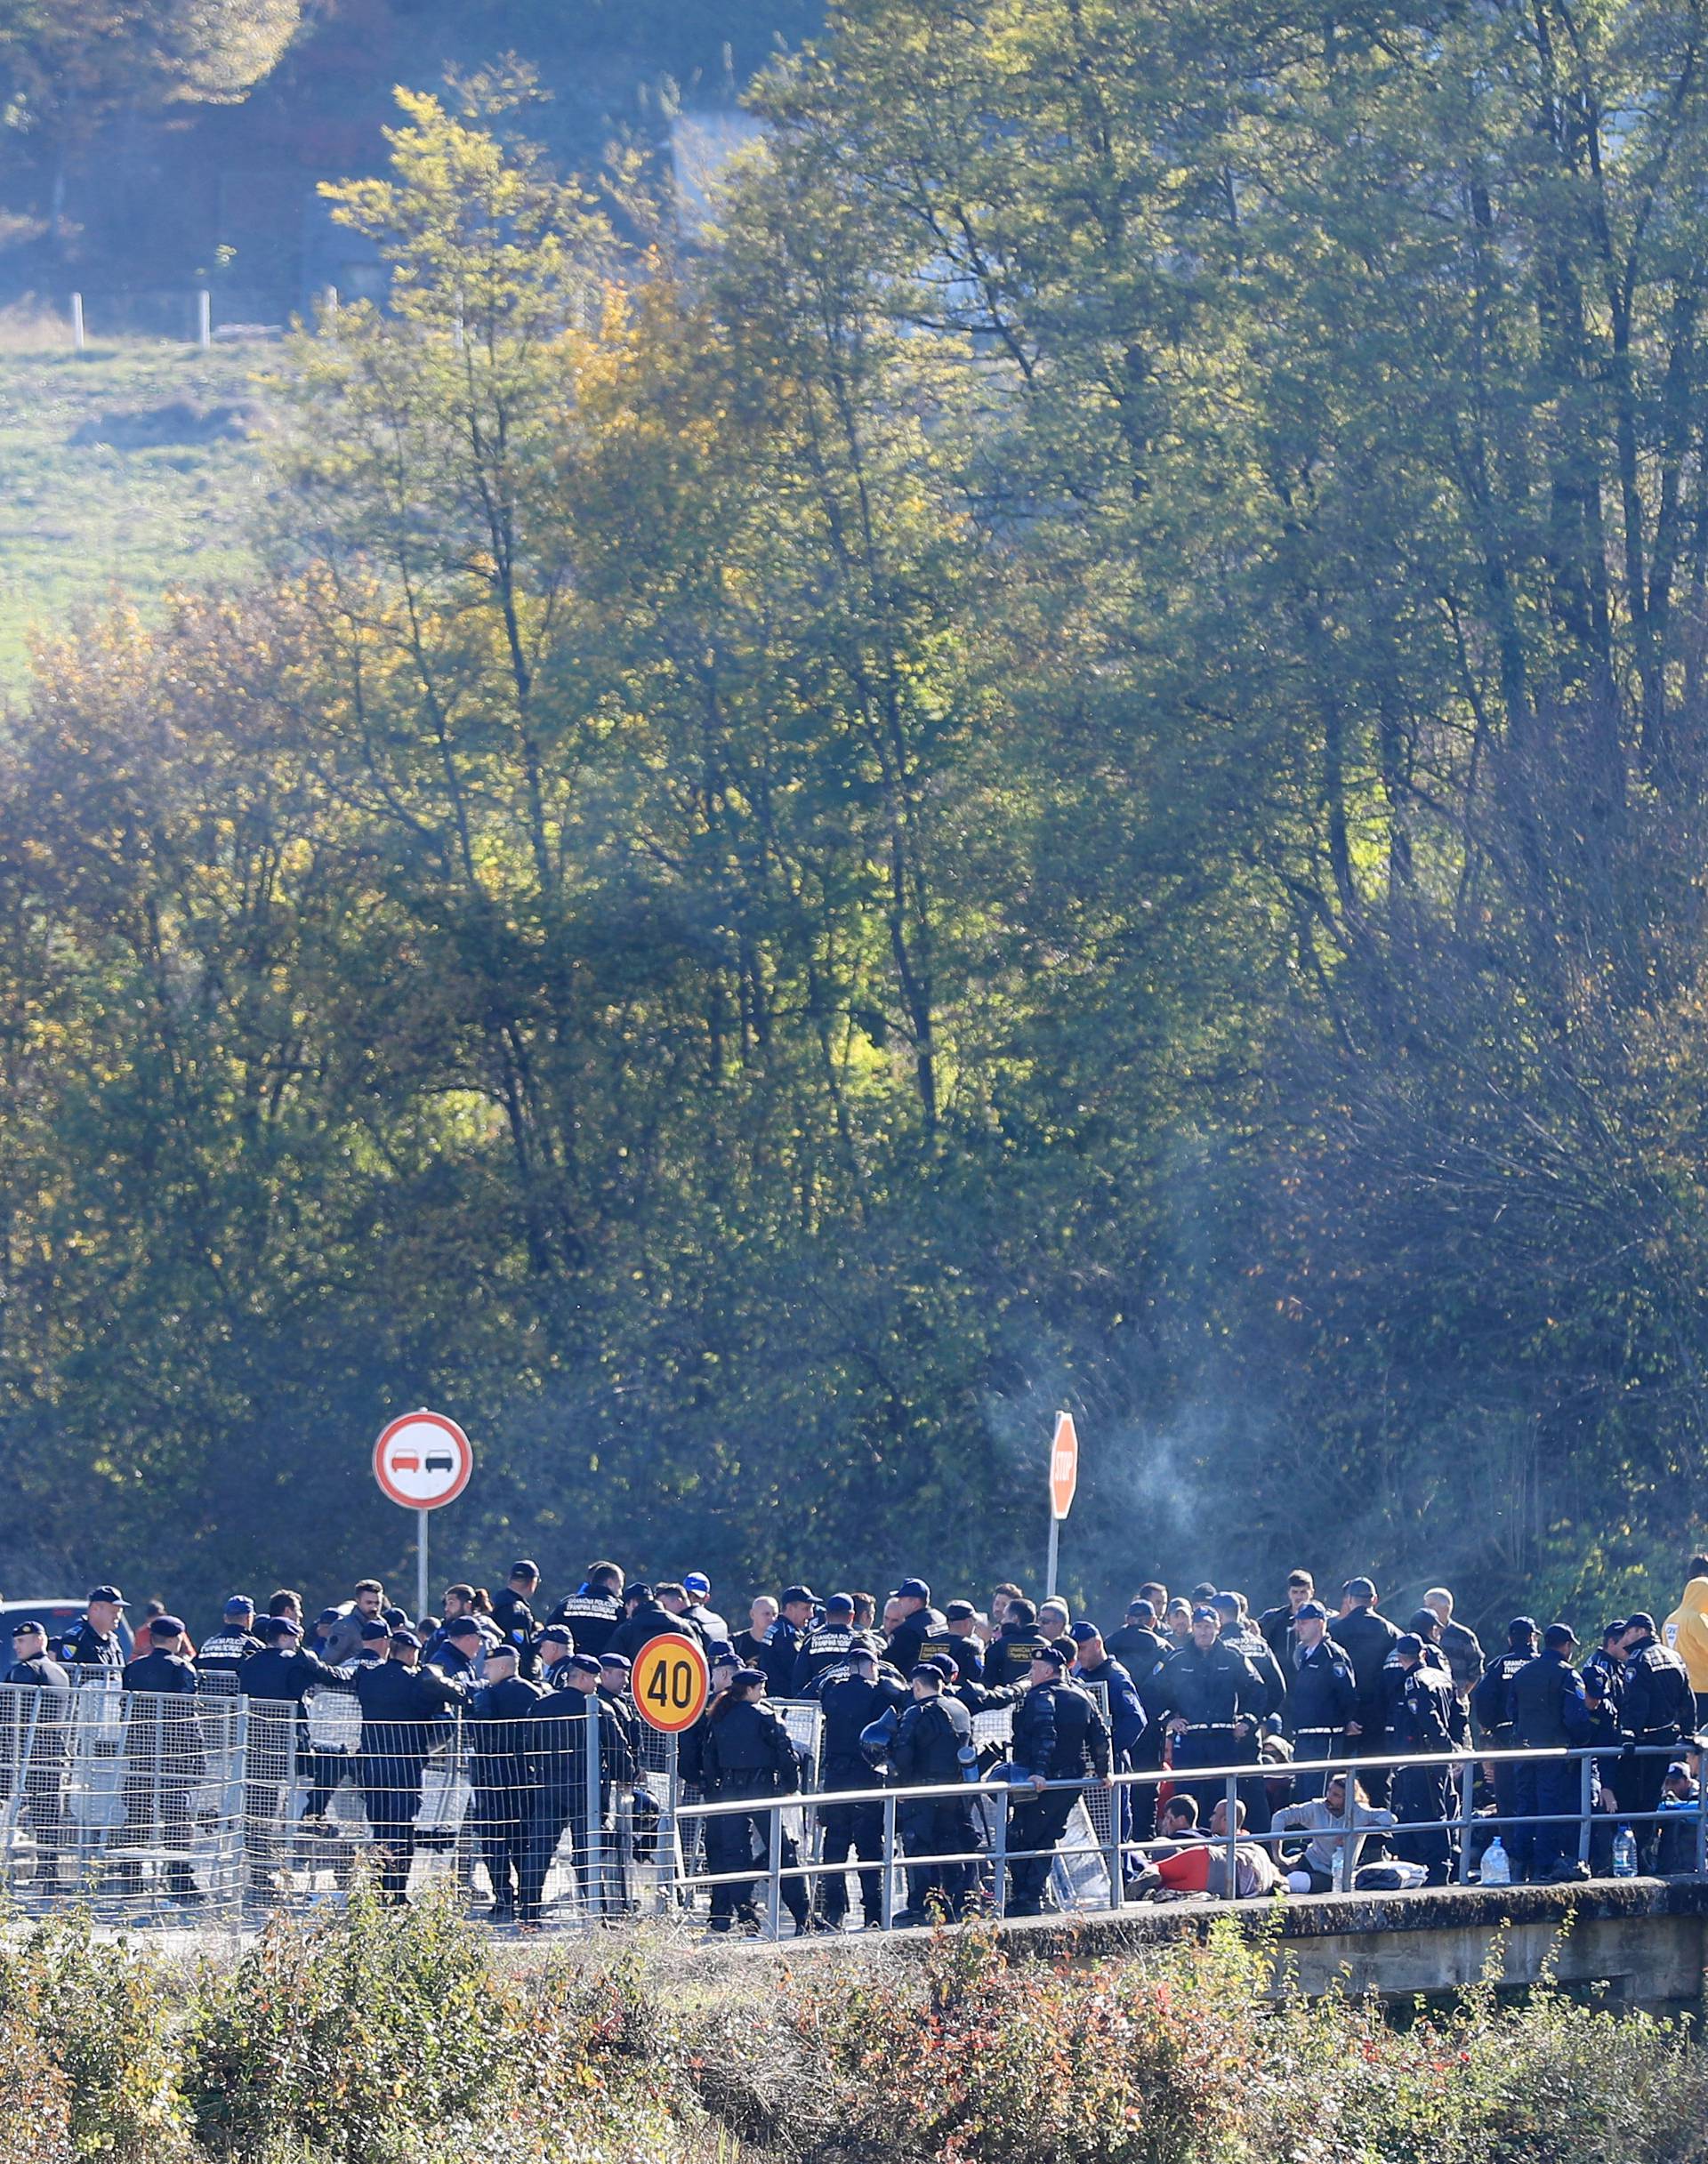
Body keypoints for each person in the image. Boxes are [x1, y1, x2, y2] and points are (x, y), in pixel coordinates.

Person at [350, 1628, 464, 1902]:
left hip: (374, 1764)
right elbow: (455, 1697)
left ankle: (377, 1891)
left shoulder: (368, 1678)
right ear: (413, 1653)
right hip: (406, 1765)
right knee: (402, 1829)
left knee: (379, 1829)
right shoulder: (417, 1682)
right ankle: (398, 1893)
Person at [698, 1668, 810, 1935]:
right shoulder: (765, 1715)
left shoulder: (719, 1716)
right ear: (750, 1690)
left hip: (729, 1791)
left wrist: (715, 1786)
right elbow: (786, 1753)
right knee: (783, 1853)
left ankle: (747, 1919)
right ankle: (802, 1917)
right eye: (760, 1688)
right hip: (762, 1789)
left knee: (734, 1857)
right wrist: (790, 1786)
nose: (764, 1693)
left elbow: (709, 1757)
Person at [1004, 1647, 1111, 1915]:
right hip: (1069, 1781)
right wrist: (1103, 1771)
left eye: (1034, 1668)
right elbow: (1100, 1736)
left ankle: (1026, 1897)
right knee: (1047, 1835)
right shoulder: (1082, 1694)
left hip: (1041, 1782)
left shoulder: (1042, 1696)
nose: (1030, 1673)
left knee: (1021, 1835)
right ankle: (1033, 1895)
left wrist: (1039, 1771)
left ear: (1048, 1671)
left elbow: (1045, 1734)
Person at [815, 1641, 907, 1928]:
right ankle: (874, 1913)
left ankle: (834, 1909)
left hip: (835, 1779)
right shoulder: (879, 1692)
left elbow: (814, 1687)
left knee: (835, 1846)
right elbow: (901, 1695)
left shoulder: (832, 1690)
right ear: (870, 1666)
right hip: (867, 1778)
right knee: (869, 1848)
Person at [525, 1653, 620, 1926]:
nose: (598, 1682)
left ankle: (529, 1913)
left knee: (539, 1852)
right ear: (581, 1677)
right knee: (588, 1853)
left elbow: (528, 1746)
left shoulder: (542, 1706)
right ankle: (596, 1914)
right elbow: (615, 1749)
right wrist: (625, 1773)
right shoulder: (599, 1708)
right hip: (586, 1792)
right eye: (594, 1677)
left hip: (548, 1787)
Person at [1145, 1606, 1266, 1822]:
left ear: (1218, 1627)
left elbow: (1258, 1689)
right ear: (1192, 1627)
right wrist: (1168, 1720)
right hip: (1189, 1742)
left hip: (1223, 1742)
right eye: (1199, 1626)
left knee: (1222, 1801)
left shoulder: (1233, 1656)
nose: (1204, 1632)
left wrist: (1248, 1722)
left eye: (1209, 1626)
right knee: (1186, 1800)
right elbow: (1150, 1692)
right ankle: (1186, 1845)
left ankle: (1221, 1849)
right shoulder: (1176, 1658)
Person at [119, 1615, 205, 1903]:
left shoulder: (133, 1668)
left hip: (141, 1753)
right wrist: (198, 1751)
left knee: (138, 1813)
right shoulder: (183, 1668)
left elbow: (125, 1708)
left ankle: (130, 1876)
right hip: (174, 1755)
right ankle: (179, 1878)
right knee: (177, 1817)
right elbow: (187, 1713)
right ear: (177, 1638)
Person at [890, 1663, 981, 1925]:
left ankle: (925, 1907)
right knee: (954, 1847)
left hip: (924, 1794)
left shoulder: (916, 1713)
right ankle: (962, 1903)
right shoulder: (960, 1709)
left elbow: (903, 1755)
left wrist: (899, 1788)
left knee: (920, 1848)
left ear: (917, 1686)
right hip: (956, 1792)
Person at [1506, 1622, 1592, 1882]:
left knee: (1526, 1806)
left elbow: (1512, 1712)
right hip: (1555, 1753)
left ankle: (1519, 1864)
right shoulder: (1568, 1674)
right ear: (1566, 1646)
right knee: (1549, 1807)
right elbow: (1576, 1717)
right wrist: (1583, 1742)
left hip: (1524, 1750)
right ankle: (1544, 1865)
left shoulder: (1522, 1674)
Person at [467, 1643, 542, 1923]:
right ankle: (528, 1897)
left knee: (494, 1840)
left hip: (493, 1777)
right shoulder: (536, 1693)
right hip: (526, 1776)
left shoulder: (488, 1697)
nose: (485, 1671)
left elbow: (480, 1732)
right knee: (524, 1841)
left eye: (488, 1666)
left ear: (501, 1666)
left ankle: (503, 1898)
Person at [1387, 1632, 1466, 1885]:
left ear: (1400, 1658)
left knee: (1428, 1815)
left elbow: (1427, 1718)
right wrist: (1455, 1748)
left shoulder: (1414, 1682)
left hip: (1421, 1759)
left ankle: (1437, 1871)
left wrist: (1443, 1748)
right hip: (1435, 1759)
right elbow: (1459, 1716)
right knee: (1440, 1811)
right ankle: (1440, 1864)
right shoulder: (1443, 1678)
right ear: (1422, 1653)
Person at [1617, 1612, 1694, 1870]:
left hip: (1644, 1742)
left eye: (1628, 1632)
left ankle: (1637, 1857)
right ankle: (1646, 1852)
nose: (1625, 1638)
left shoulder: (1638, 1660)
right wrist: (1688, 1731)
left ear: (1640, 1632)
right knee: (1652, 1796)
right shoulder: (1674, 1656)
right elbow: (1688, 1697)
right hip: (1667, 1739)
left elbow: (1637, 1702)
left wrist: (1629, 1733)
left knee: (1634, 1797)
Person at [3, 1619, 72, 1892]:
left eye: (22, 1641)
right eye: (16, 1642)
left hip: (22, 1757)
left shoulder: (25, 1671)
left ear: (39, 1641)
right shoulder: (59, 1672)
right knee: (47, 1820)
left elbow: (8, 1712)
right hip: (52, 1758)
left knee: (8, 1818)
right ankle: (48, 1875)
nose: (17, 1647)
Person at [1472, 1617, 1539, 1870]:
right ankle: (1536, 1859)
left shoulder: (1497, 1665)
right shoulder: (1540, 1663)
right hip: (1538, 1744)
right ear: (1533, 1638)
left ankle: (1512, 1858)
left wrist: (1491, 1730)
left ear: (1510, 1639)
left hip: (1503, 1742)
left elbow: (1483, 1701)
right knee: (1537, 1799)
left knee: (1507, 1801)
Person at [1334, 1580, 1401, 1806]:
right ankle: (1377, 1835)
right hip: (1378, 1715)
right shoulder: (1391, 1631)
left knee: (1338, 1778)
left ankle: (1339, 1832)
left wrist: (1344, 1716)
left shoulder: (1336, 1631)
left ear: (1350, 1600)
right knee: (1378, 1778)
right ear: (1374, 1600)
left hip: (1345, 1716)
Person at [1283, 1601, 1358, 1800]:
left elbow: (1347, 1694)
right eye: (1298, 1622)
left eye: (1304, 1622)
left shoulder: (1333, 1655)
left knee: (1320, 1797)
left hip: (1325, 1738)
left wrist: (1347, 1720)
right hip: (1304, 1738)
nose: (1299, 1627)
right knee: (1303, 1798)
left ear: (1320, 1623)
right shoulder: (1305, 1654)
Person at [1272, 1772, 1396, 1891]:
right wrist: (1278, 1855)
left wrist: (1355, 1831)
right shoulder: (1316, 1807)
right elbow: (1281, 1816)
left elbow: (1390, 1818)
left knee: (1296, 1882)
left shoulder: (1360, 1812)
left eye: (1336, 1795)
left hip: (1332, 1874)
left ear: (1348, 1798)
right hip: (1309, 1860)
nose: (1329, 1797)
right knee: (1271, 1874)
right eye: (1329, 1791)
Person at [793, 1594, 867, 1693]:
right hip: (852, 1702)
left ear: (826, 1615)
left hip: (816, 1705)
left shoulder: (810, 1641)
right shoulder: (862, 1642)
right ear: (852, 1616)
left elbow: (798, 1683)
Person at [1663, 1558, 1708, 1726]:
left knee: (1683, 1740)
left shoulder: (1670, 1620)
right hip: (1704, 1690)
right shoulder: (1697, 1619)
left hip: (1678, 1691)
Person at [547, 1563, 624, 1658]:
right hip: (604, 1668)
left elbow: (549, 1632)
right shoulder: (619, 1610)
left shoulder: (567, 1604)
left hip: (571, 1667)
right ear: (610, 1582)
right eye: (620, 1587)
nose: (620, 1593)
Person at [1422, 1587, 1486, 1701]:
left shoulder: (1464, 1636)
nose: (1427, 1609)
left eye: (1431, 1606)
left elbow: (1476, 1668)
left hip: (1457, 1700)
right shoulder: (1422, 1633)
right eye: (1425, 1606)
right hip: (1429, 1699)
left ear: (1446, 1609)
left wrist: (1463, 1693)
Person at [759, 1588, 818, 1698]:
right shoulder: (787, 1635)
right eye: (806, 1609)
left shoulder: (777, 1628)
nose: (811, 1615)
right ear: (790, 1608)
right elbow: (798, 1671)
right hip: (785, 1699)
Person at [985, 1598, 1051, 1690]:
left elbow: (988, 1681)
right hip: (1040, 1700)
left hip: (1006, 1700)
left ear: (1015, 1618)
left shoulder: (1000, 1645)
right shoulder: (1047, 1645)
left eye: (1005, 1617)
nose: (1002, 1621)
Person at [57, 1585, 126, 1670]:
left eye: (119, 1612)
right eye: (113, 1612)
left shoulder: (113, 1641)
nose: (117, 1617)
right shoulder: (76, 1640)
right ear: (95, 1609)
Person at [1258, 1571, 1317, 1665]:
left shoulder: (1321, 1620)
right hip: (1283, 1677)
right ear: (1289, 1593)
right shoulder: (1273, 1619)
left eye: (1303, 1592)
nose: (1298, 1597)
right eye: (1295, 1592)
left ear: (1312, 1593)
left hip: (1312, 1676)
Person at [197, 1597, 263, 1678]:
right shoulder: (254, 1646)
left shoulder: (206, 1646)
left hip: (206, 1691)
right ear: (249, 1618)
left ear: (225, 1618)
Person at [323, 1581, 386, 1667]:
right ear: (358, 1601)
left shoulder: (383, 1624)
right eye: (369, 1603)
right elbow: (328, 1661)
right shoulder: (344, 1626)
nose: (374, 1608)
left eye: (377, 1603)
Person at [1104, 1598, 1170, 1677]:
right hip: (1153, 1689)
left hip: (1115, 1688)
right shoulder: (1163, 1645)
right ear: (1153, 1621)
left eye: (1142, 1619)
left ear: (1127, 1619)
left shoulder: (1110, 1642)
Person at [681, 1573, 729, 1644]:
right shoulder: (720, 1621)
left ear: (706, 1598)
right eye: (688, 1594)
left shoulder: (681, 1622)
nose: (691, 1599)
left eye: (697, 1596)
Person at [734, 1596, 779, 1669]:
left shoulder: (781, 1644)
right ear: (752, 1614)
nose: (772, 1619)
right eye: (766, 1614)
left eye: (774, 1614)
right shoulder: (737, 1642)